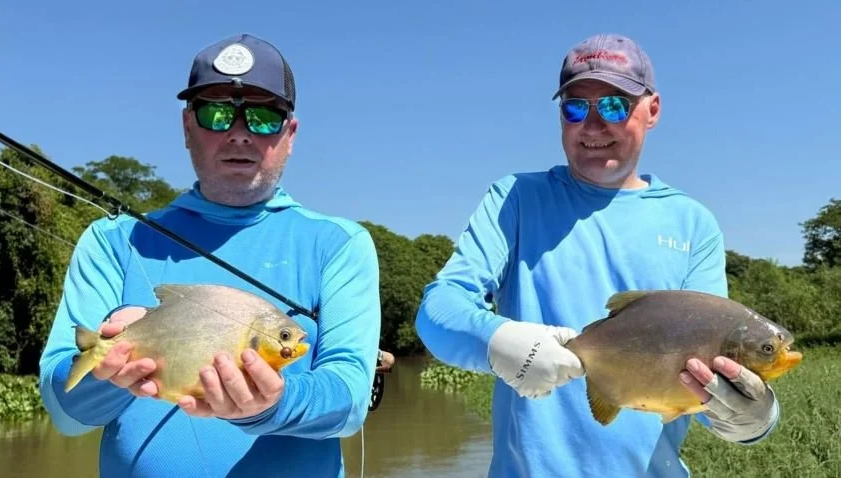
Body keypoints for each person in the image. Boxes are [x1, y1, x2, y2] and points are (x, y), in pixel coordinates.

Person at [415, 33, 781, 477]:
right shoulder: (515, 199)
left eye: (614, 106)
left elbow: (703, 385)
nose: (593, 125)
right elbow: (438, 310)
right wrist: (497, 341)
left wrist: (750, 418)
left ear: (653, 110)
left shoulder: (693, 223)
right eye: (575, 107)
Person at [38, 33, 382, 477]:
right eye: (217, 113)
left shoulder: (340, 243)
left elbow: (351, 401)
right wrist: (110, 374)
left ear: (290, 134)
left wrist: (271, 404)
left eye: (262, 117)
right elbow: (64, 413)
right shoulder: (112, 240)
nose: (239, 134)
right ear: (186, 127)